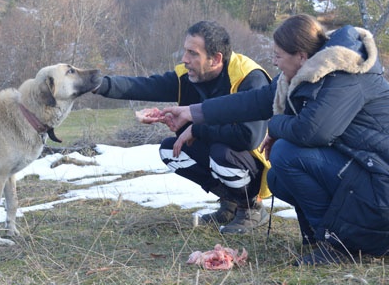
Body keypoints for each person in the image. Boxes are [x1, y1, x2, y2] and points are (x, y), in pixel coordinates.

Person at [162, 14, 389, 265]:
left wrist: (275, 127)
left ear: (301, 56)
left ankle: (339, 245)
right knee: (278, 177)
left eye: (278, 56)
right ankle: (321, 237)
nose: (274, 63)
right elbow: (256, 100)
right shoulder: (310, 72)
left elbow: (312, 131)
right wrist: (192, 112)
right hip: (378, 180)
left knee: (286, 154)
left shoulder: (345, 76)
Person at [94, 20, 273, 234]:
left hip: (255, 162)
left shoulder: (248, 77)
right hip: (225, 154)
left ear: (215, 59)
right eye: (185, 51)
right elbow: (144, 86)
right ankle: (230, 202)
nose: (184, 59)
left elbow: (249, 137)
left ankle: (251, 206)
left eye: (192, 53)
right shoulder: (188, 76)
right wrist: (97, 84)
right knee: (171, 151)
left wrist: (196, 129)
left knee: (221, 154)